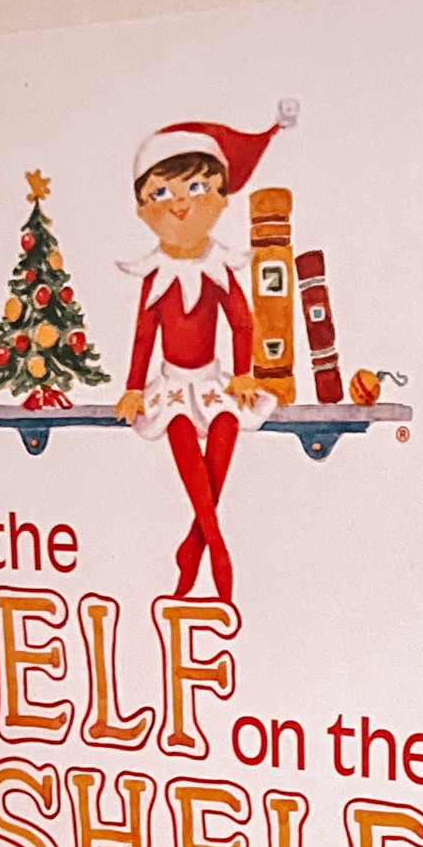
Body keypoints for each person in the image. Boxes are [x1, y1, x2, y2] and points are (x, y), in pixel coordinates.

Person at [116, 116, 285, 601]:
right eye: (161, 193)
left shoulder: (218, 267)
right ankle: (216, 545)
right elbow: (144, 335)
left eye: (196, 187)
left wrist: (244, 374)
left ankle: (195, 544)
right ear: (143, 211)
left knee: (228, 422)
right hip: (172, 382)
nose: (181, 203)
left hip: (212, 378)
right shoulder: (156, 274)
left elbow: (242, 323)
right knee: (179, 427)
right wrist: (133, 386)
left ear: (221, 198)